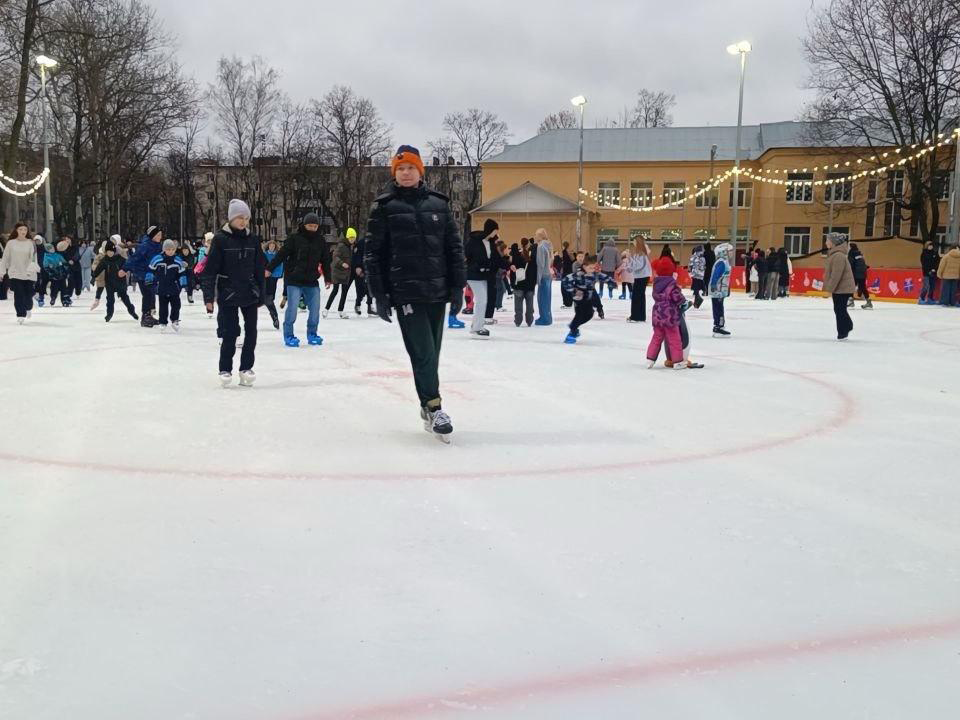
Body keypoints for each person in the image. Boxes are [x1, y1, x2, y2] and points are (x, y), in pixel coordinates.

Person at [365, 144, 466, 441]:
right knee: (422, 351)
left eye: (410, 168)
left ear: (419, 171)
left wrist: (457, 287)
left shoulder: (439, 205)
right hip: (405, 292)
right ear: (394, 173)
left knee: (432, 353)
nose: (405, 173)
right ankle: (435, 408)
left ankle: (426, 403)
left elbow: (454, 249)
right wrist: (379, 294)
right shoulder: (384, 208)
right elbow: (373, 254)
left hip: (436, 290)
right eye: (400, 169)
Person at [202, 199, 267, 387]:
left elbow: (259, 267)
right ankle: (225, 368)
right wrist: (209, 297)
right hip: (228, 293)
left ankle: (246, 367)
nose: (243, 222)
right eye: (240, 217)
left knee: (252, 332)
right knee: (230, 332)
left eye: (246, 218)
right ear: (231, 218)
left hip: (249, 292)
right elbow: (210, 270)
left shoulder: (253, 239)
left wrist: (261, 293)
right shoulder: (221, 239)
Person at [267, 212, 331, 347]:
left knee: (314, 309)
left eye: (315, 226)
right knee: (292, 309)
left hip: (311, 280)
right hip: (294, 280)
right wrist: (269, 268)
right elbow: (281, 254)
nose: (312, 228)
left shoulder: (321, 241)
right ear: (304, 225)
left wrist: (328, 278)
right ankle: (289, 335)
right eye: (310, 226)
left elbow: (325, 260)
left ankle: (312, 334)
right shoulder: (294, 239)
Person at [561, 253, 612, 344]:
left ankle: (573, 327)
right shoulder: (578, 274)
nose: (592, 270)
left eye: (593, 268)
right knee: (580, 314)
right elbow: (565, 280)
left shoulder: (593, 274)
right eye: (590, 268)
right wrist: (572, 290)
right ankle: (572, 333)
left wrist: (611, 282)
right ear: (584, 266)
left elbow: (602, 276)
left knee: (590, 314)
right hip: (579, 299)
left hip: (588, 299)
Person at [646, 257, 686, 369]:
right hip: (670, 316)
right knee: (674, 338)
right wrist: (683, 300)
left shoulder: (656, 284)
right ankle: (677, 361)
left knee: (657, 337)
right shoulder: (672, 284)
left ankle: (650, 359)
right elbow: (677, 298)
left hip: (657, 314)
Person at [124, 225, 165, 327]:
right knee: (147, 294)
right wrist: (124, 269)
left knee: (151, 294)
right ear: (153, 236)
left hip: (152, 274)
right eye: (158, 235)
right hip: (143, 274)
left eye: (161, 234)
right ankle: (145, 316)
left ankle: (148, 316)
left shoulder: (158, 245)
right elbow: (134, 258)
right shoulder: (145, 246)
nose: (160, 236)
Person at [0, 223, 40, 323]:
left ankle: (28, 307)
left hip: (28, 273)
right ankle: (20, 314)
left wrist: (34, 269)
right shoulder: (11, 243)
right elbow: (5, 258)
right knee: (18, 294)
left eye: (25, 230)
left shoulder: (31, 243)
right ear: (16, 230)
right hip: (15, 273)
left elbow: (34, 258)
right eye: (20, 229)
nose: (23, 231)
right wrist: (2, 272)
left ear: (27, 231)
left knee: (28, 294)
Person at [91, 240, 138, 322]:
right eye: (108, 251)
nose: (110, 253)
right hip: (110, 283)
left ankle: (132, 311)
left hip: (120, 282)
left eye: (111, 251)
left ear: (114, 251)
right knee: (110, 300)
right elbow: (98, 269)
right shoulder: (105, 260)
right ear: (106, 251)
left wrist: (130, 271)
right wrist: (93, 277)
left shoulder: (120, 259)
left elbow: (128, 266)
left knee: (125, 299)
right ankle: (109, 314)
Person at [466, 218, 497, 338]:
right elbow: (468, 256)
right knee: (482, 300)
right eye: (495, 230)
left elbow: (494, 259)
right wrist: (477, 266)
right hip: (473, 275)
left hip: (484, 276)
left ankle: (476, 325)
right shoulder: (474, 241)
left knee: (482, 300)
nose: (496, 233)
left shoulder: (490, 242)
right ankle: (477, 328)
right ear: (491, 230)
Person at [148, 239, 188, 332]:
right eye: (168, 249)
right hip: (162, 287)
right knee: (163, 306)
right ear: (164, 250)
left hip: (174, 287)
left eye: (172, 249)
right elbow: (151, 270)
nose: (171, 251)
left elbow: (182, 272)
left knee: (176, 305)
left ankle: (174, 320)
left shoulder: (177, 260)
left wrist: (183, 282)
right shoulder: (157, 259)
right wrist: (149, 279)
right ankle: (163, 322)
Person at [823, 232, 856, 340]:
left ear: (833, 242)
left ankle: (843, 331)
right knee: (839, 309)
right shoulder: (835, 254)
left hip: (843, 288)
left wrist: (829, 289)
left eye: (827, 240)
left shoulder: (838, 256)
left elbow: (837, 274)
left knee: (839, 309)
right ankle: (846, 328)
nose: (826, 242)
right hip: (840, 288)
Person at [325, 228, 357, 319]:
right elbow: (335, 256)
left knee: (344, 292)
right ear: (347, 237)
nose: (352, 239)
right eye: (351, 238)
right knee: (335, 291)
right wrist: (342, 263)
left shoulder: (351, 246)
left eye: (354, 238)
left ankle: (341, 310)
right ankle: (326, 309)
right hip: (337, 272)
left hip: (346, 273)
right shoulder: (342, 246)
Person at [708, 242, 733, 337]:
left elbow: (725, 278)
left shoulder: (723, 262)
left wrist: (727, 289)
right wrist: (714, 286)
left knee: (718, 307)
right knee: (718, 308)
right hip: (717, 290)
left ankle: (719, 326)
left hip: (720, 290)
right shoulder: (722, 262)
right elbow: (716, 275)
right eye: (729, 251)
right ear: (723, 252)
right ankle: (718, 326)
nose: (731, 253)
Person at [626, 238, 653, 322]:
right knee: (639, 296)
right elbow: (636, 265)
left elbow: (638, 265)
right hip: (641, 276)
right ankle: (640, 316)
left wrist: (630, 258)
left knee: (636, 296)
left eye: (634, 241)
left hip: (641, 276)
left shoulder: (641, 253)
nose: (633, 243)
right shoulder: (640, 253)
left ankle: (636, 316)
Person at [512, 236, 537, 327]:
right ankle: (529, 321)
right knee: (529, 306)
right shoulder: (532, 257)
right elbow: (534, 271)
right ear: (528, 244)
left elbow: (513, 270)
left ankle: (518, 321)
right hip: (529, 284)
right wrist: (534, 283)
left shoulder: (517, 256)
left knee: (518, 306)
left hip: (519, 284)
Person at [42, 237, 72, 307]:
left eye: (52, 248)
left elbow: (64, 262)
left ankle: (64, 300)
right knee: (54, 288)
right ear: (47, 250)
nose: (52, 250)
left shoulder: (57, 255)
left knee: (64, 288)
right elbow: (45, 266)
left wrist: (66, 269)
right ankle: (53, 297)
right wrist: (51, 273)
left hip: (61, 274)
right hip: (54, 275)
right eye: (50, 249)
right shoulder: (46, 257)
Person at [534, 228, 554, 325]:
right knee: (547, 298)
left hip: (543, 275)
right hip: (549, 275)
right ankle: (548, 317)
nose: (535, 236)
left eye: (536, 234)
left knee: (542, 298)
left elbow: (540, 264)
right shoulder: (548, 245)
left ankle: (544, 318)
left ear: (540, 236)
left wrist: (538, 278)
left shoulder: (541, 246)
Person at [351, 231, 372, 317]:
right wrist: (358, 266)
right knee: (360, 289)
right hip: (360, 270)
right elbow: (356, 255)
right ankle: (357, 304)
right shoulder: (361, 243)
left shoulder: (375, 243)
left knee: (370, 289)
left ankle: (370, 307)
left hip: (370, 270)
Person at [262, 239, 282, 329]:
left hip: (273, 277)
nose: (272, 247)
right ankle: (275, 317)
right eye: (270, 246)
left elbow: (280, 266)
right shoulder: (264, 255)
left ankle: (275, 318)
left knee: (270, 298)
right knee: (268, 298)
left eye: (273, 246)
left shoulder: (277, 255)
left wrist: (275, 274)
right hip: (264, 277)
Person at [848, 243, 872, 309]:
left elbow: (851, 264)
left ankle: (851, 302)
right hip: (863, 274)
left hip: (856, 274)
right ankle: (869, 302)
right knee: (863, 287)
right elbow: (861, 263)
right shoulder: (859, 254)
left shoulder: (851, 254)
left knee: (850, 287)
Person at [919, 240, 940, 305]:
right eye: (929, 245)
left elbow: (937, 262)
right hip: (926, 273)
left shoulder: (935, 253)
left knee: (932, 286)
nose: (930, 247)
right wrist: (928, 271)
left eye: (931, 245)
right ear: (926, 246)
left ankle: (930, 298)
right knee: (926, 286)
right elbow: (924, 263)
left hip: (933, 272)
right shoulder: (924, 254)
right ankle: (921, 298)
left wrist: (934, 269)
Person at [560, 241, 575, 307]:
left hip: (566, 272)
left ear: (563, 246)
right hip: (570, 272)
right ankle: (570, 302)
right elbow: (573, 261)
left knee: (564, 288)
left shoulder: (564, 252)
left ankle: (567, 303)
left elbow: (565, 263)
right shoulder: (571, 252)